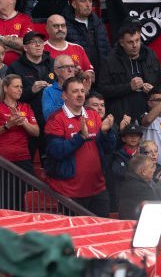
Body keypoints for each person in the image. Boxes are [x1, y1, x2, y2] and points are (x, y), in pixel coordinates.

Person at [44, 76, 115, 216]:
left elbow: (108, 148)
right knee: (75, 236)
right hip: (69, 192)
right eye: (75, 91)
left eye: (82, 91)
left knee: (101, 233)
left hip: (97, 188)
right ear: (64, 95)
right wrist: (80, 137)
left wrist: (107, 133)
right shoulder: (56, 119)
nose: (80, 94)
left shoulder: (93, 115)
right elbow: (56, 151)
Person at [96, 23, 161, 124]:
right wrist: (129, 87)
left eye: (137, 40)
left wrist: (153, 89)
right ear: (121, 42)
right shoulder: (110, 60)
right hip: (122, 117)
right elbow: (102, 90)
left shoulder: (150, 55)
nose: (135, 45)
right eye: (130, 42)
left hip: (149, 115)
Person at [0, 75, 39, 175]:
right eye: (16, 86)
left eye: (21, 87)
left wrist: (24, 123)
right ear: (5, 88)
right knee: (5, 190)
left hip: (23, 157)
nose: (20, 90)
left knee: (28, 190)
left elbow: (36, 132)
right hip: (1, 158)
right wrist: (8, 125)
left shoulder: (26, 107)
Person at [63, 0, 111, 76]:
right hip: (77, 77)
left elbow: (106, 50)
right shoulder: (64, 25)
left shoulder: (98, 23)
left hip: (101, 76)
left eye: (90, 1)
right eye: (83, 1)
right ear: (74, 4)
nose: (88, 5)